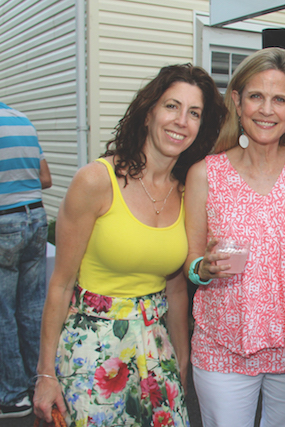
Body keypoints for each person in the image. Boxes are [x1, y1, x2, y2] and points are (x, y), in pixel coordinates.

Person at [33, 63, 226, 426]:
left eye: (194, 113)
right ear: (149, 111)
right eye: (172, 106)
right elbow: (59, 285)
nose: (181, 120)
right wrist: (45, 374)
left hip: (157, 350)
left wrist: (181, 364)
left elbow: (176, 289)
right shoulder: (96, 181)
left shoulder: (187, 193)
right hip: (91, 351)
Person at [184, 47, 285, 427]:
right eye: (256, 96)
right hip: (224, 345)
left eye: (279, 100)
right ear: (238, 102)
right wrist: (204, 268)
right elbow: (190, 266)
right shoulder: (205, 175)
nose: (266, 110)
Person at [0, 102, 52, 419]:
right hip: (35, 217)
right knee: (32, 306)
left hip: (4, 222)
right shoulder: (22, 120)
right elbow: (44, 177)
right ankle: (38, 383)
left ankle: (12, 393)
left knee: (3, 311)